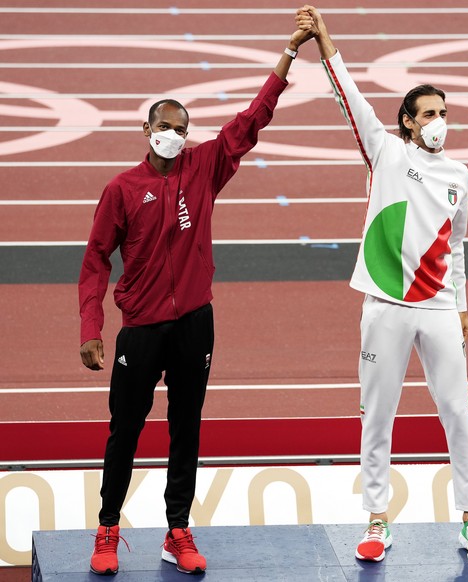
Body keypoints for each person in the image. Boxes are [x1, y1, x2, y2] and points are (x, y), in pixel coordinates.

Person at [78, 25, 314, 576]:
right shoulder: (121, 189)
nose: (174, 136)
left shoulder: (203, 169)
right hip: (140, 329)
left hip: (193, 325)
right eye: (165, 127)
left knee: (187, 427)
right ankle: (108, 527)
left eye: (182, 129)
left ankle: (177, 529)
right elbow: (95, 260)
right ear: (146, 129)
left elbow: (250, 122)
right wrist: (92, 328)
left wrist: (287, 54)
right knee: (125, 430)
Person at [296, 6, 468, 565]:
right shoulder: (383, 151)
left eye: (444, 112)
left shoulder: (461, 176)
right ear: (407, 121)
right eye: (428, 113)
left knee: (457, 410)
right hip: (384, 305)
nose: (439, 121)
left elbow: (456, 246)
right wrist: (324, 40)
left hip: (437, 307)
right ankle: (378, 520)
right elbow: (349, 96)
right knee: (378, 413)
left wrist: (460, 304)